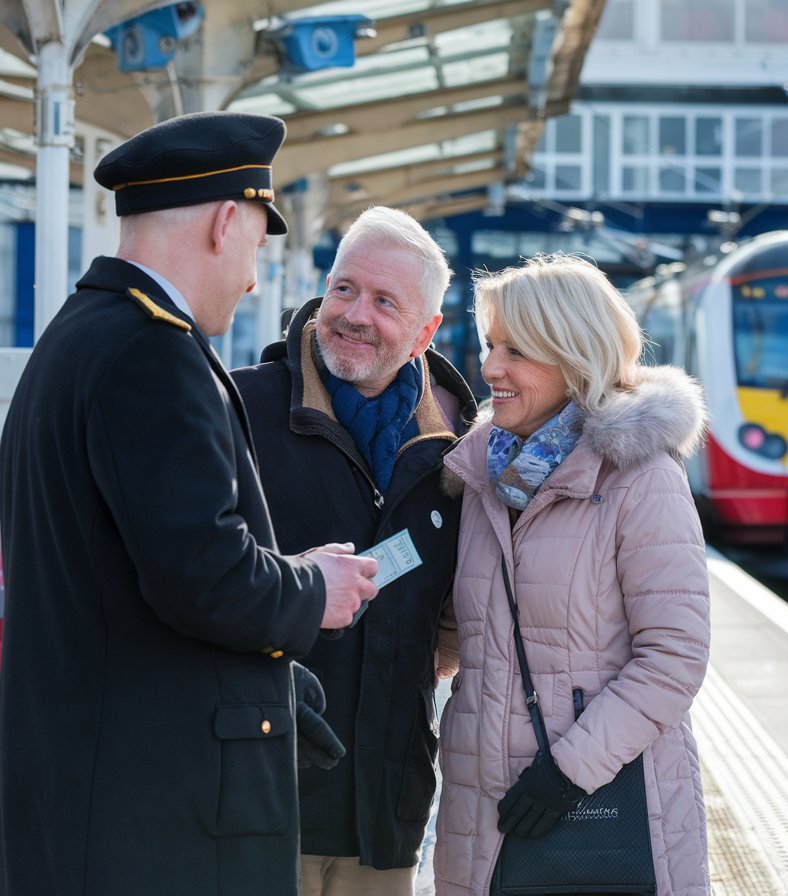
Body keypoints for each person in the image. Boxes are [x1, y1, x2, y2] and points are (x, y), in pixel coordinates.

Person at [0, 111, 380, 896]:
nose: (251, 279)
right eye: (254, 245)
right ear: (224, 220)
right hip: (152, 819)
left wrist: (280, 572)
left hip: (90, 792)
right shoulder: (153, 354)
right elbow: (203, 577)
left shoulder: (75, 338)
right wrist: (314, 588)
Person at [433, 253, 712, 895]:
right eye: (491, 345)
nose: (491, 368)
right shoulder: (479, 476)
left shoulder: (642, 479)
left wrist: (568, 771)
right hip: (482, 818)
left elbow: (674, 657)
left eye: (517, 352)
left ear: (574, 357)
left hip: (604, 811)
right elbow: (455, 633)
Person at [231, 205, 477, 896]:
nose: (354, 314)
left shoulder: (458, 455)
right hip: (257, 804)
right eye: (344, 288)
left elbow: (462, 611)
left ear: (426, 331)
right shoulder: (241, 412)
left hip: (385, 820)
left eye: (384, 301)